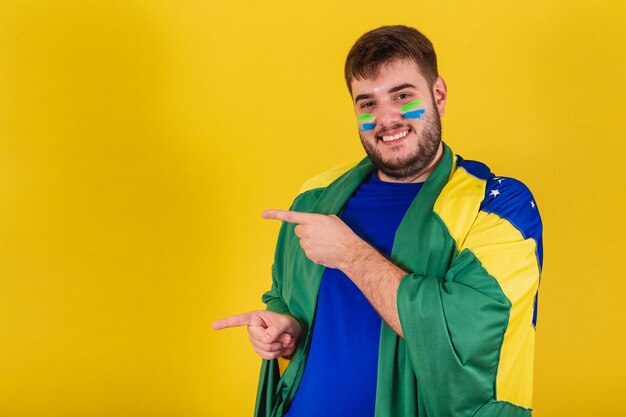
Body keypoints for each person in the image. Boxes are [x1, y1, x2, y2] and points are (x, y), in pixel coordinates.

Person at [213, 25, 543, 417]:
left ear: (438, 94)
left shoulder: (497, 206)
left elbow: (466, 335)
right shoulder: (317, 198)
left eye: (402, 95)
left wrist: (350, 253)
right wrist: (287, 329)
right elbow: (287, 298)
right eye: (366, 103)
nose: (386, 118)